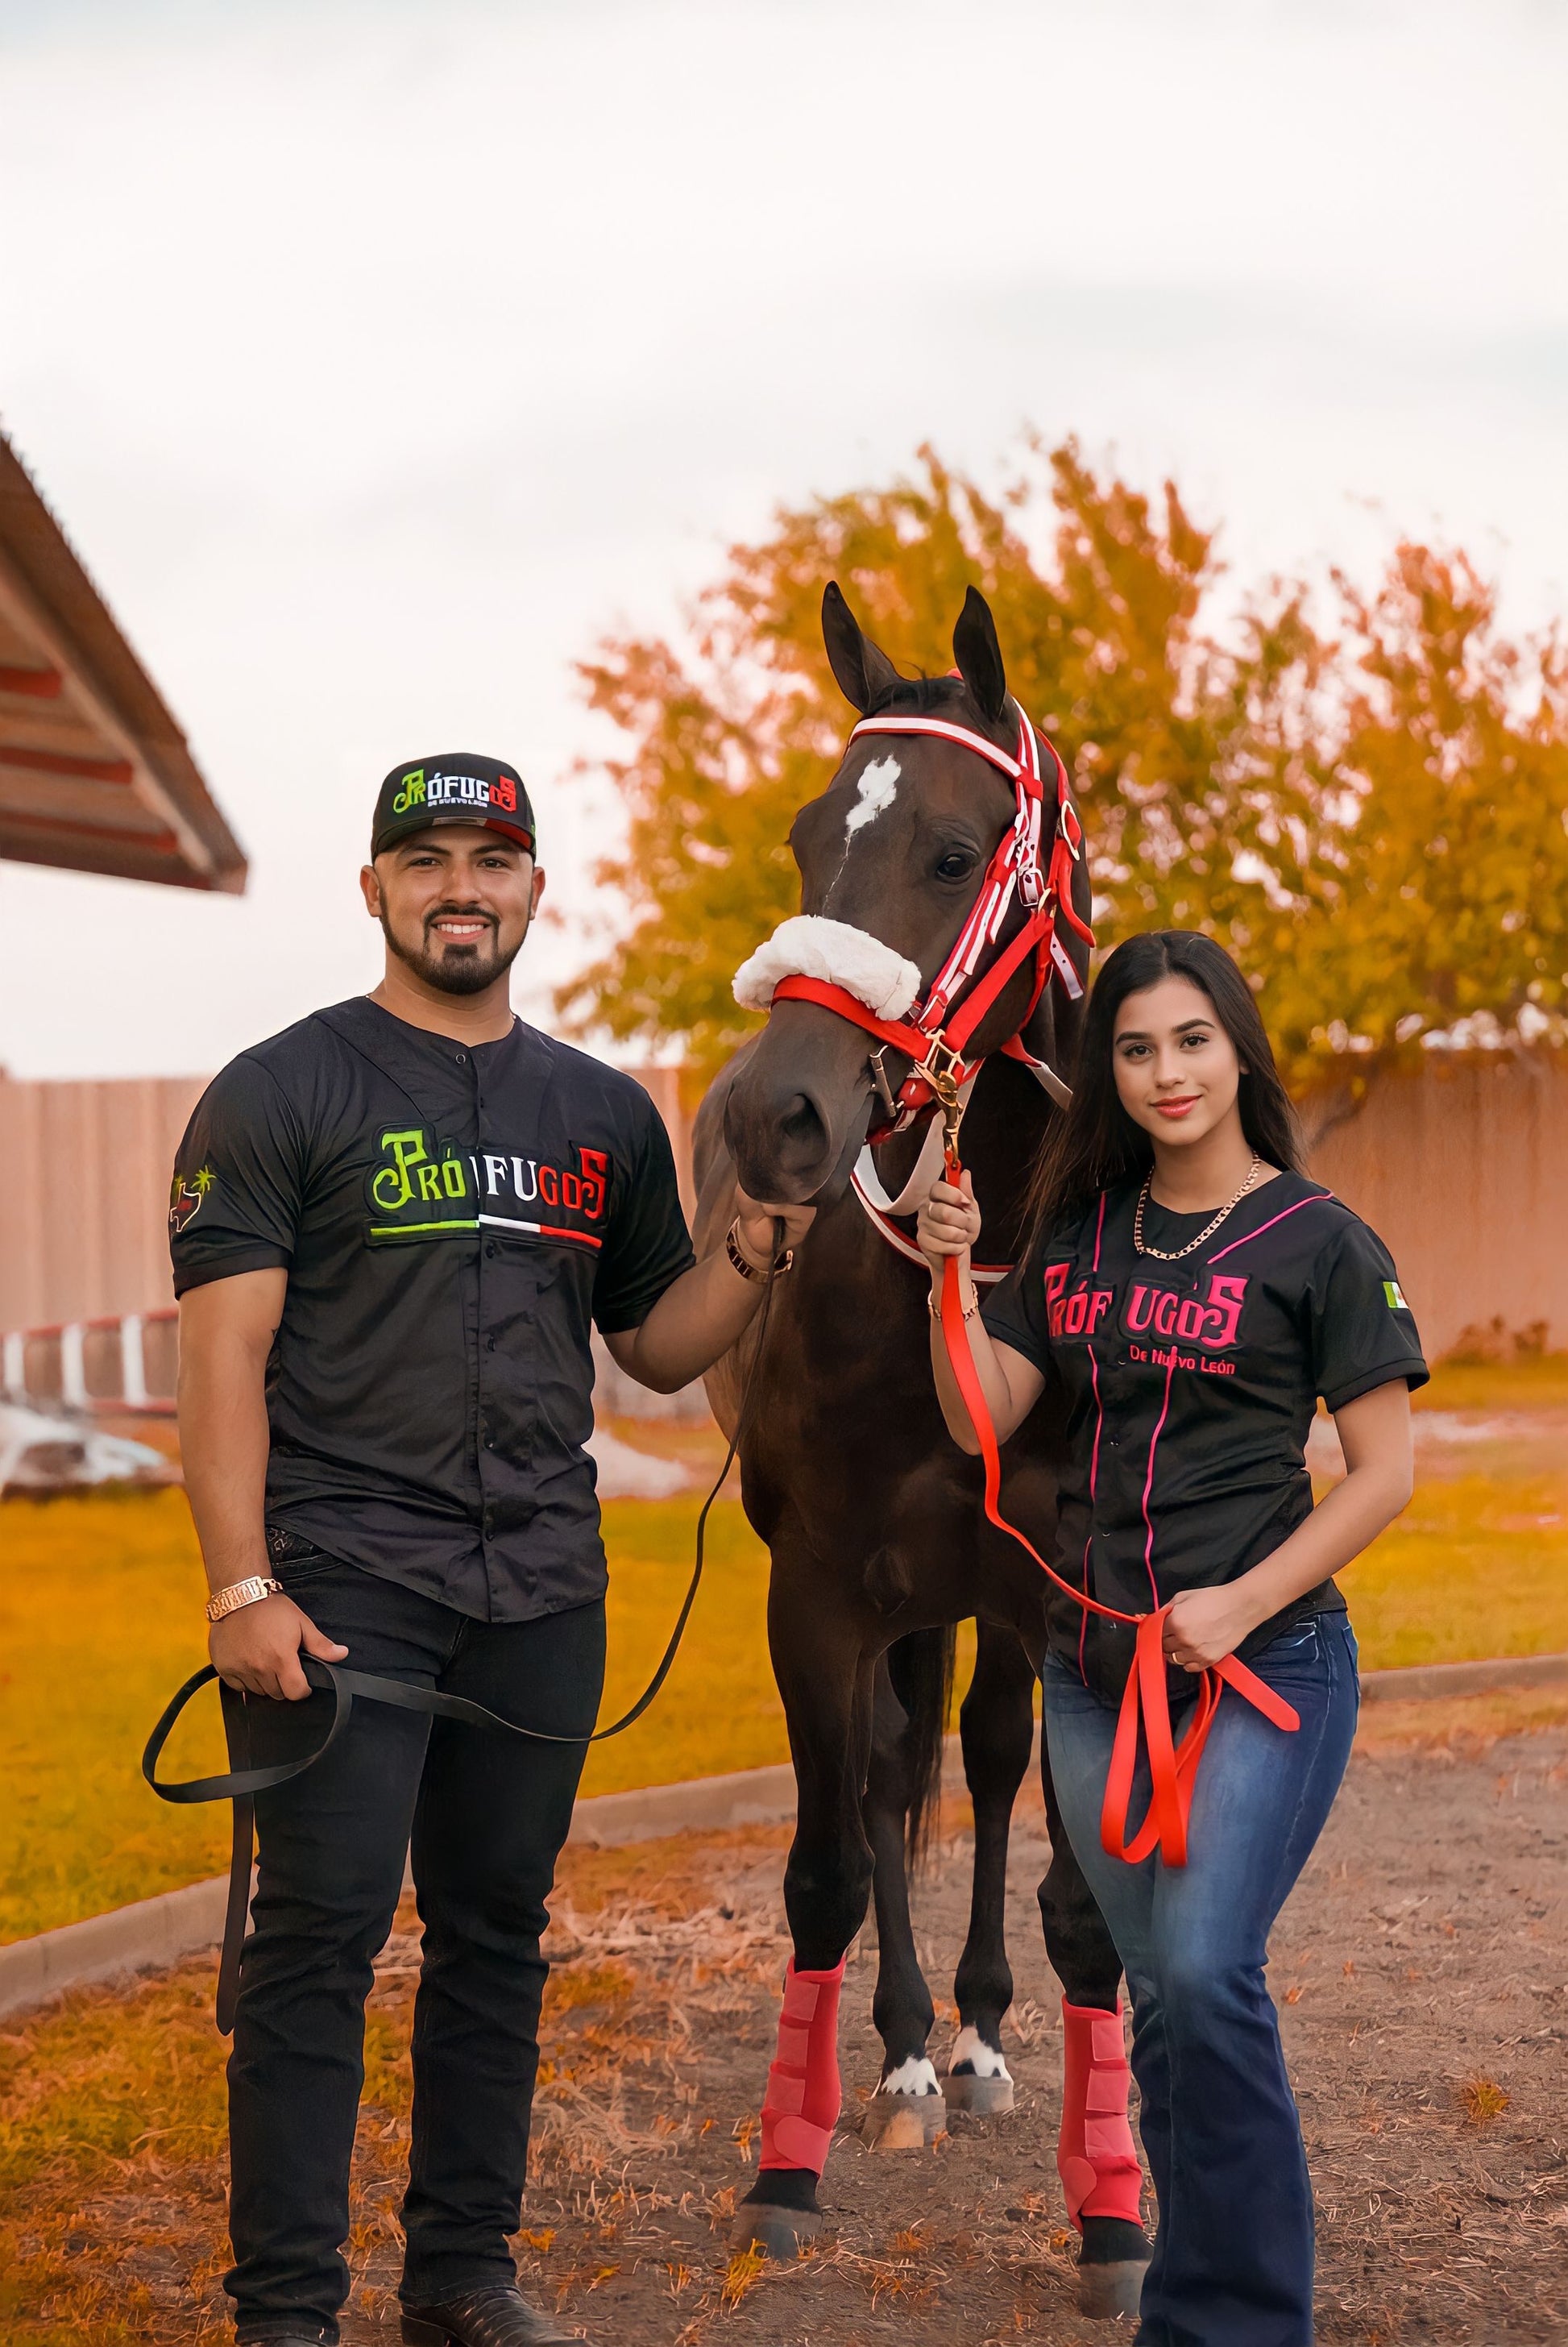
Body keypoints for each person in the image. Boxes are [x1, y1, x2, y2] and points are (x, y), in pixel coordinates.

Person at [170, 752, 813, 2347]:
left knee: (496, 1937)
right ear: (376, 888)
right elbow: (220, 1362)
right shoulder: (279, 1089)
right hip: (340, 1593)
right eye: (430, 858)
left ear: (535, 889)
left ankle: (459, 2278)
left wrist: (751, 1250)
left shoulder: (600, 1115)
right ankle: (287, 2314)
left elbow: (659, 1348)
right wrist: (243, 1584)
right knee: (316, 1941)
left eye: (493, 859)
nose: (462, 885)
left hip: (539, 1589)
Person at [915, 929, 1425, 2347]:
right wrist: (952, 1279)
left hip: (1261, 1672)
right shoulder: (1081, 1237)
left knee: (1205, 1973)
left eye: (1190, 1040)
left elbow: (1384, 1472)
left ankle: (1242, 2322)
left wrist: (1243, 1601)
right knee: (1157, 1996)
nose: (1164, 1072)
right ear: (1108, 1073)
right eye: (1134, 1049)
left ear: (1236, 1051)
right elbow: (978, 1417)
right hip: (1090, 1676)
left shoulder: (1319, 1241)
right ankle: (1191, 2311)